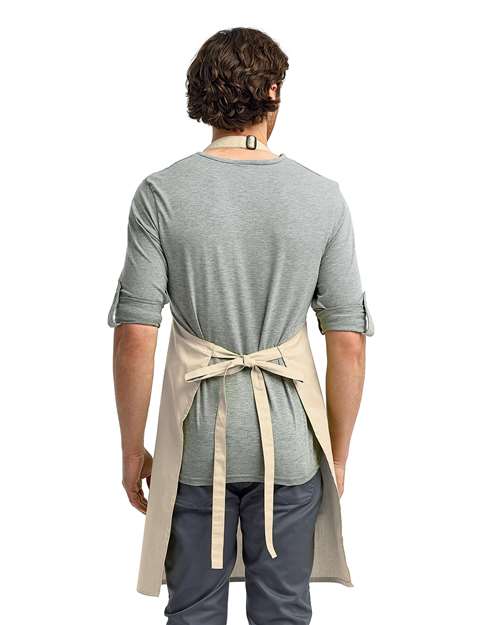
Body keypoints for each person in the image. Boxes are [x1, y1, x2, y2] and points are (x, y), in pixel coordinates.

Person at [108, 27, 374, 625]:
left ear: (202, 97)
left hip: (196, 446)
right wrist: (337, 453)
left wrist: (131, 450)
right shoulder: (322, 197)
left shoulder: (160, 195)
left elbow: (135, 335)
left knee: (193, 612)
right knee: (283, 612)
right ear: (273, 91)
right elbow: (348, 344)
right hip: (291, 447)